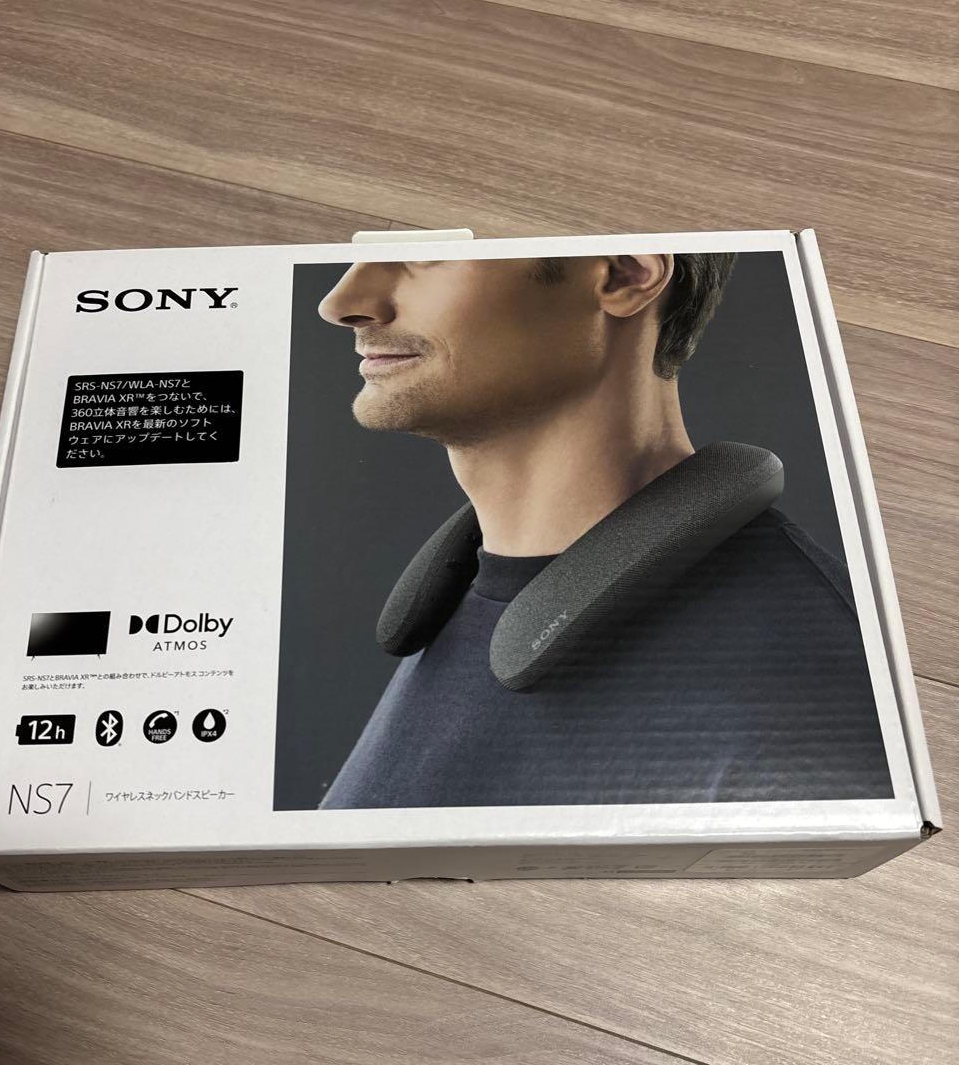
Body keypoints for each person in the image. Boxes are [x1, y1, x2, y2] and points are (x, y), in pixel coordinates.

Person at [314, 253, 893, 808]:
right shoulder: (461, 611)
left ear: (625, 275)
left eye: (426, 256)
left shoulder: (803, 698)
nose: (341, 302)